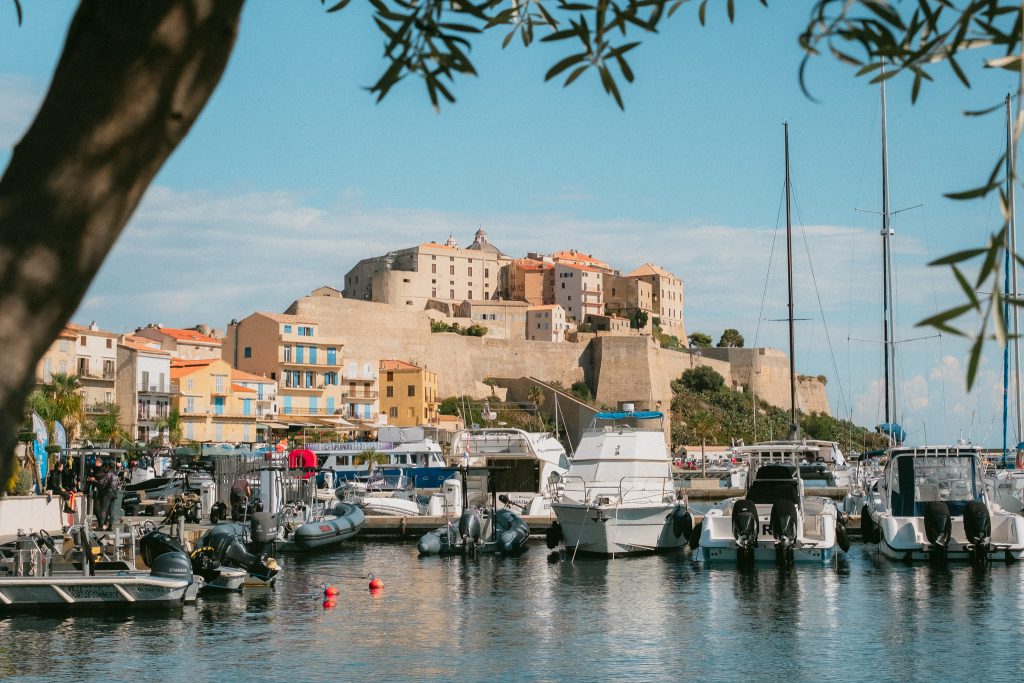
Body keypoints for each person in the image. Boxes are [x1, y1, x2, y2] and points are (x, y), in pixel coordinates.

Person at [94, 464, 121, 531]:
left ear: (109, 467)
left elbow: (102, 483)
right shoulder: (116, 475)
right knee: (112, 510)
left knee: (103, 509)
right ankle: (110, 526)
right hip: (114, 493)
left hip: (108, 492)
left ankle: (101, 526)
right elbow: (119, 485)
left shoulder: (108, 474)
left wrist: (94, 480)